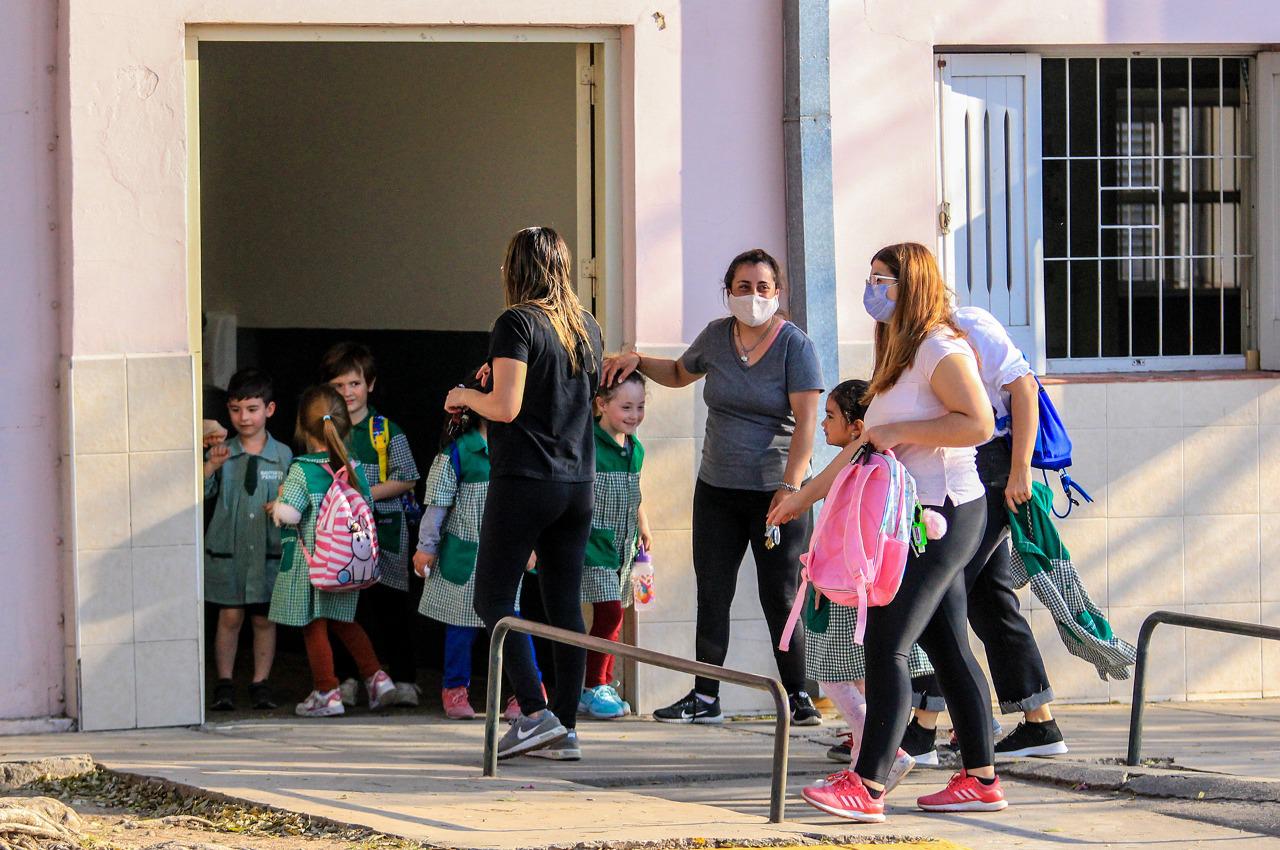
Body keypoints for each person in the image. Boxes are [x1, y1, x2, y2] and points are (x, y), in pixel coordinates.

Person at [768, 242, 1006, 822]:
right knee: (947, 646)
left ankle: (868, 784)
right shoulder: (899, 351)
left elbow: (979, 423)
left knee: (886, 643)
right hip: (911, 518)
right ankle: (981, 779)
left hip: (942, 514)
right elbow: (862, 445)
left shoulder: (939, 347)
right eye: (870, 277)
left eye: (883, 279)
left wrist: (900, 429)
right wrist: (801, 497)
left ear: (912, 284)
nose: (872, 290)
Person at [602, 248, 824, 727]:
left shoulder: (795, 346)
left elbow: (807, 421)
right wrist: (638, 360)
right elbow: (680, 373)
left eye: (762, 287)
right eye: (743, 287)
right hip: (717, 490)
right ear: (728, 292)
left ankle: (798, 695)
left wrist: (791, 487)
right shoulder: (717, 336)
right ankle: (705, 697)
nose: (753, 296)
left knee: (781, 596)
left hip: (776, 496)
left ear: (777, 292)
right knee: (712, 593)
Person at [447, 226, 603, 761]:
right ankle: (565, 728)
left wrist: (465, 395)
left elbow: (506, 407)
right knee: (564, 606)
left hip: (525, 480)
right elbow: (560, 392)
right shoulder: (586, 326)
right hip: (578, 482)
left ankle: (534, 714)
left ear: (515, 270)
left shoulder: (515, 322)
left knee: (492, 598)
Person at [910, 304, 1067, 758]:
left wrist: (1020, 471)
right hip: (954, 468)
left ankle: (923, 727)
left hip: (988, 468)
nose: (876, 294)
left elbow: (1024, 388)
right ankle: (1039, 723)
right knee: (988, 600)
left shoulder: (968, 324)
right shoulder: (908, 338)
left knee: (939, 592)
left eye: (884, 280)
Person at [805, 380, 935, 779]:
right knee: (860, 681)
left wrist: (820, 569)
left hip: (852, 589)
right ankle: (865, 762)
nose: (823, 424)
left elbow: (846, 532)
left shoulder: (861, 471)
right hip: (863, 586)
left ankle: (889, 752)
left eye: (830, 417)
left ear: (857, 428)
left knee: (833, 676)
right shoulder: (870, 468)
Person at [412, 369, 545, 722]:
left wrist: (531, 545)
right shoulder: (459, 453)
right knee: (461, 626)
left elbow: (532, 506)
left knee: (512, 624)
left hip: (507, 555)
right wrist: (426, 546)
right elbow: (437, 504)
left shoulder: (521, 451)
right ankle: (455, 687)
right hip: (465, 556)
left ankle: (526, 692)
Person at [267, 385, 394, 718]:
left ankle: (326, 691)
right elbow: (366, 505)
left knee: (314, 625)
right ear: (345, 424)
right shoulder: (353, 465)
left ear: (302, 427)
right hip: (345, 562)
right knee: (345, 622)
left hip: (311, 566)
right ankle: (377, 678)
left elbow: (289, 514)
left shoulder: (302, 468)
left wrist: (278, 503)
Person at [321, 342, 422, 708]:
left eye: (355, 384)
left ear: (370, 385)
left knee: (391, 609)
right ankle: (348, 680)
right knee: (345, 609)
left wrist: (362, 496)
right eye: (339, 386)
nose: (347, 392)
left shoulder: (387, 430)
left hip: (386, 534)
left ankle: (405, 680)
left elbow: (407, 477)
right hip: (341, 538)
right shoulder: (326, 430)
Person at [203, 368, 292, 711]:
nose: (244, 418)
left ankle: (261, 683)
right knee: (229, 617)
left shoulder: (283, 455)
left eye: (252, 409)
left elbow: (296, 498)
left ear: (269, 409)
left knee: (264, 619)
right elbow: (200, 494)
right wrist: (211, 467)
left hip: (268, 552)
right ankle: (224, 683)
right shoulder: (221, 452)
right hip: (230, 551)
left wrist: (283, 502)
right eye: (236, 409)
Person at [578, 371, 652, 720]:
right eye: (626, 407)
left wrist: (643, 524)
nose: (634, 415)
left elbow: (635, 492)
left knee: (616, 614)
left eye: (640, 406)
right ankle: (594, 685)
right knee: (608, 613)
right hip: (593, 545)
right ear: (602, 404)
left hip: (624, 547)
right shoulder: (588, 445)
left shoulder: (635, 449)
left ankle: (602, 684)